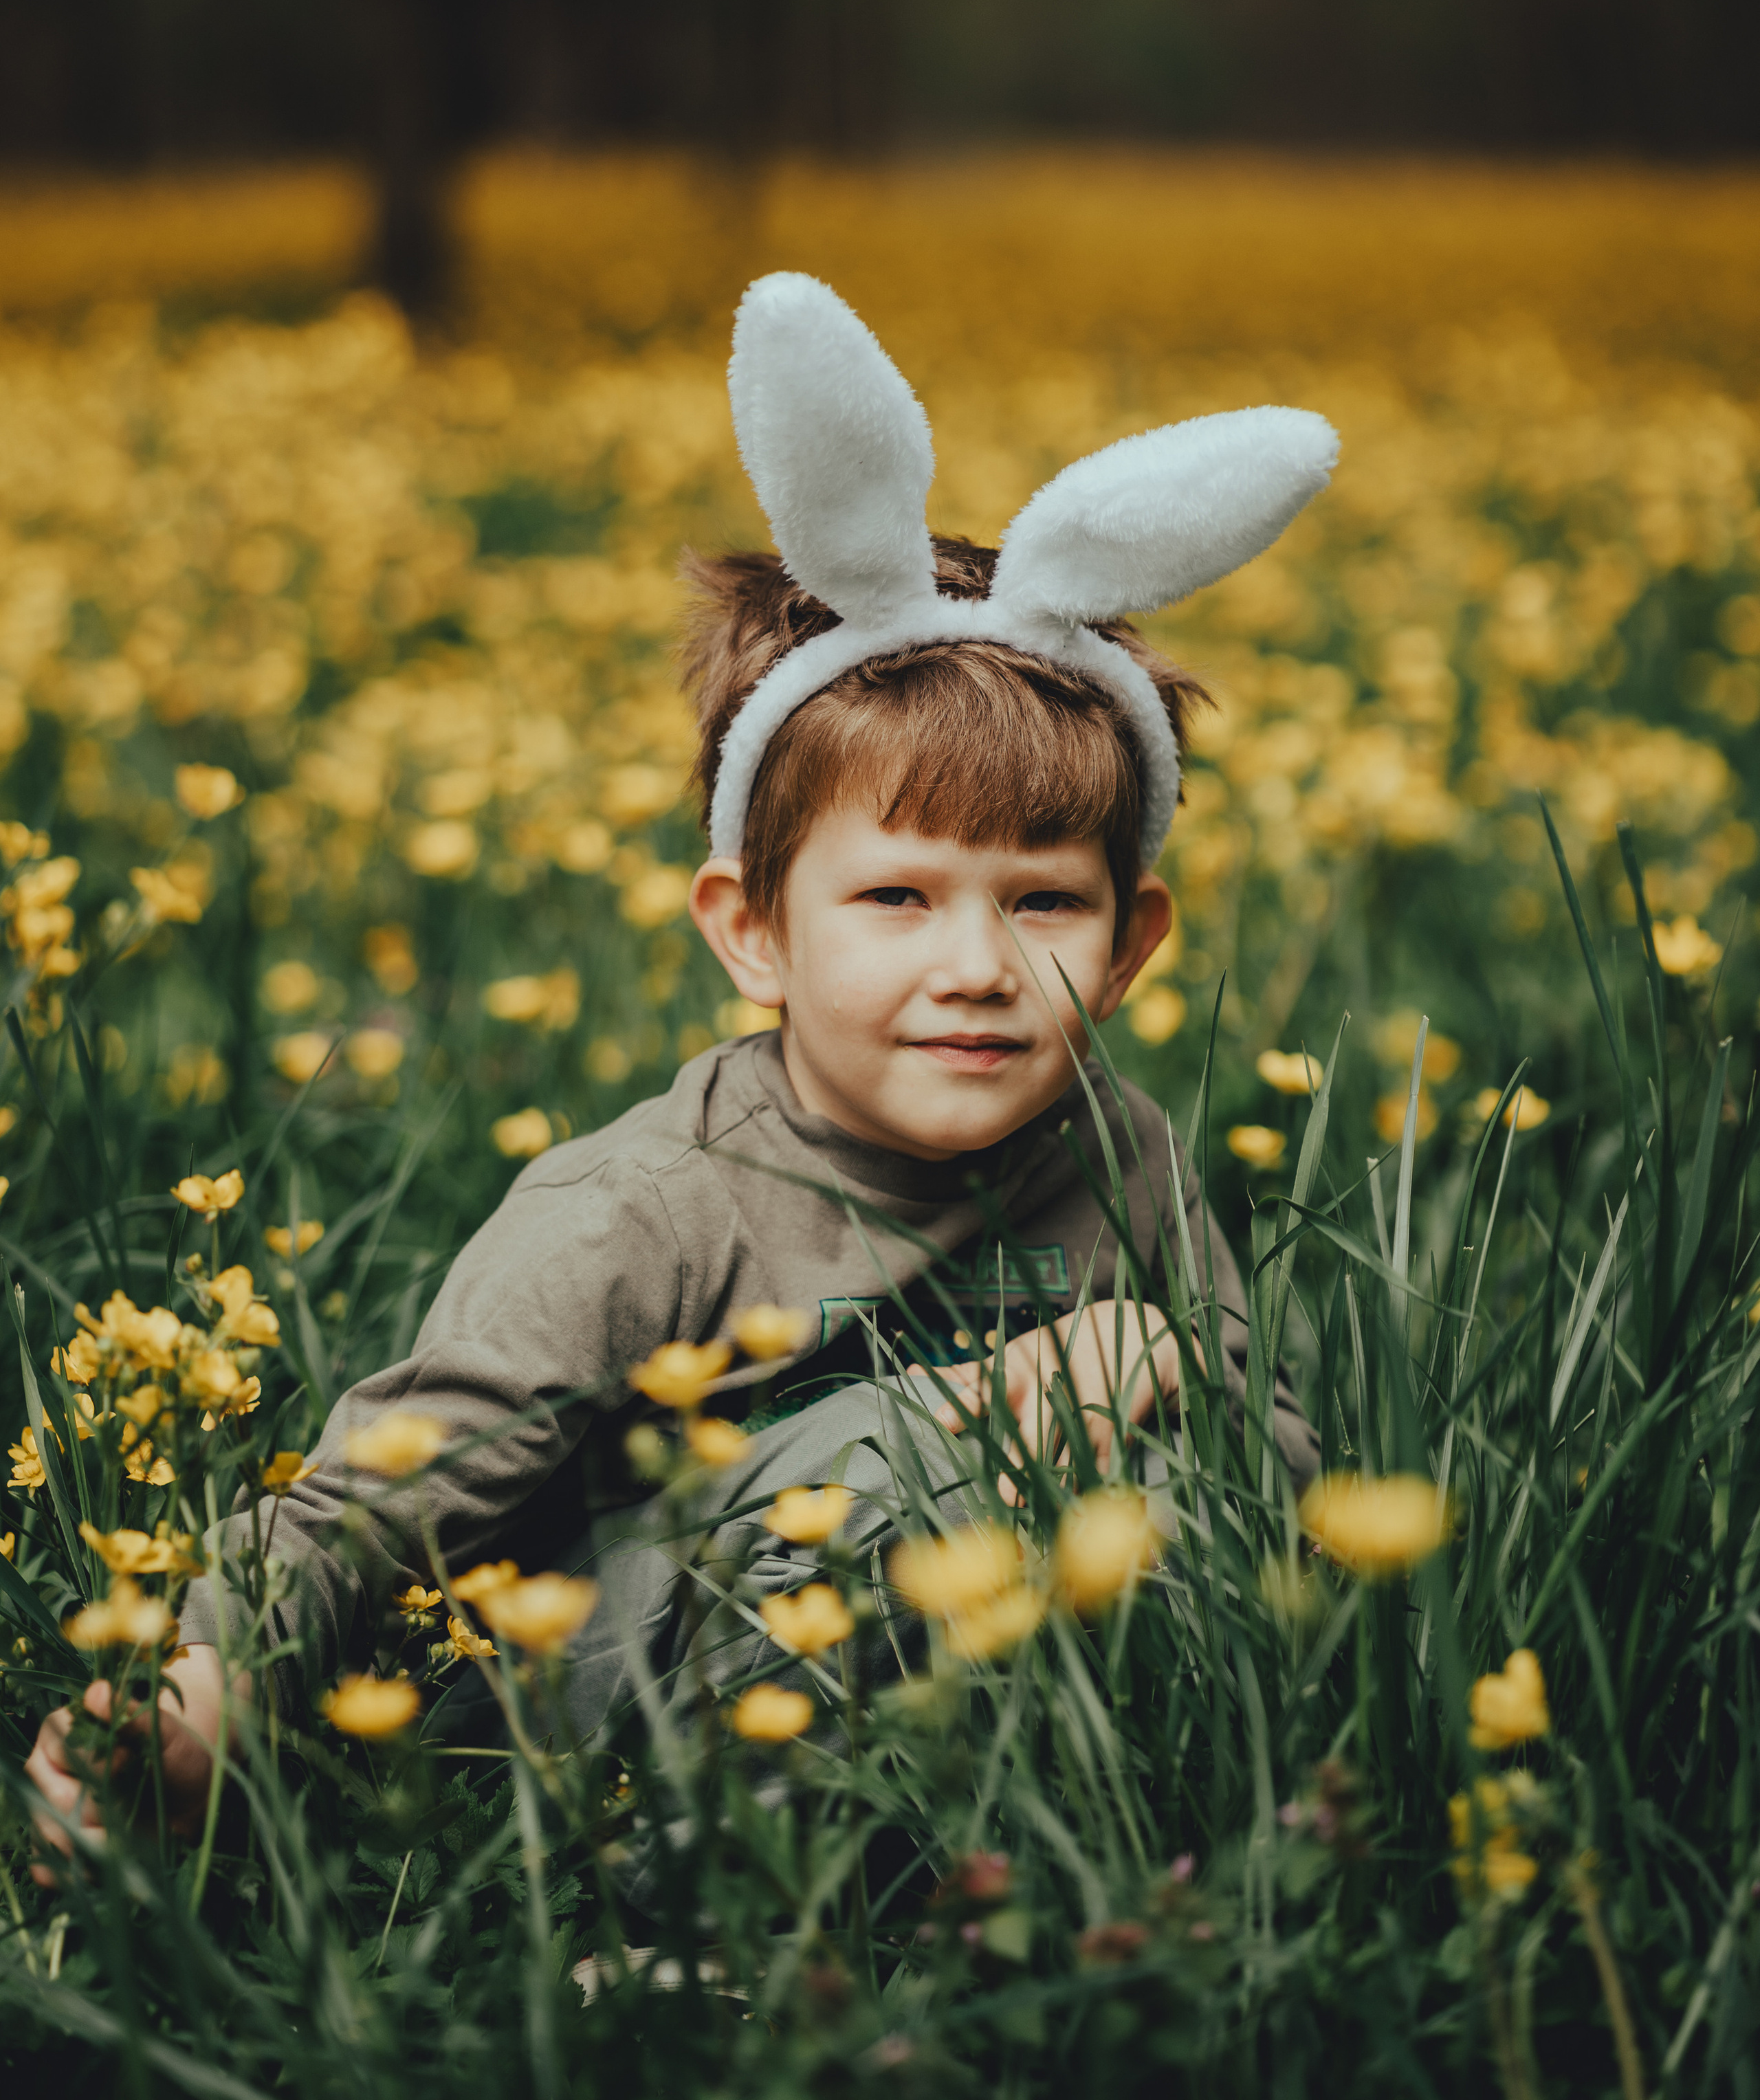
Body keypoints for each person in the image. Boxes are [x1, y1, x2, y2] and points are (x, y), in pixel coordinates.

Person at [29, 271, 1336, 1864]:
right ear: (751, 933)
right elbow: (393, 1492)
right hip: (591, 1726)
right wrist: (202, 1673)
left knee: (1161, 1477)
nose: (977, 968)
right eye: (895, 898)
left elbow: (1277, 1466)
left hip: (960, 1701)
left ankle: (1111, 1855)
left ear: (1130, 943)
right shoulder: (642, 1206)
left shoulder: (1118, 1155)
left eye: (1043, 904)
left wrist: (1170, 1384)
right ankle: (728, 1922)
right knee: (904, 1466)